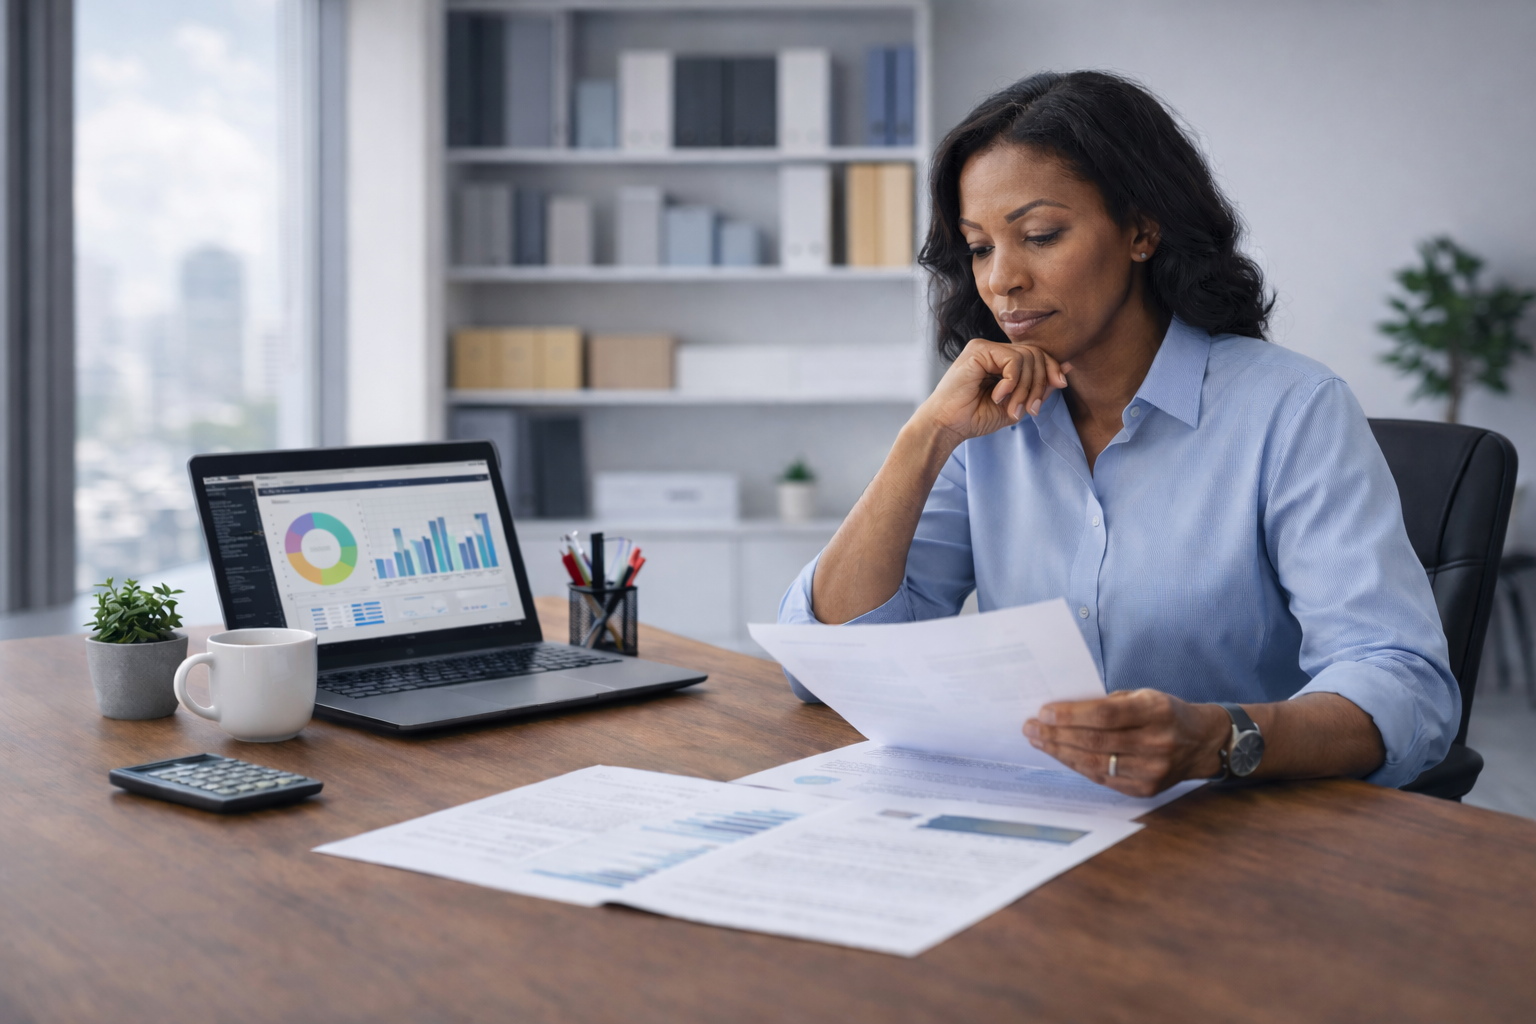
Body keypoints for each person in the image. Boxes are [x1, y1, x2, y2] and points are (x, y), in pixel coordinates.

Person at [778, 71, 1457, 796]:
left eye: (1038, 235)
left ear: (1141, 229)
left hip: (1239, 833)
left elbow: (1402, 682)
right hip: (1037, 826)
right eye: (978, 248)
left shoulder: (1293, 408)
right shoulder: (989, 421)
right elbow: (827, 662)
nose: (1001, 280)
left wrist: (1219, 738)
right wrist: (924, 438)